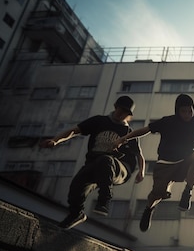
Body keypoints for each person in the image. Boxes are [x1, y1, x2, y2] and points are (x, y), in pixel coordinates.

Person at [115, 93, 194, 232]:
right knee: (158, 193)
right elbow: (145, 130)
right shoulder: (167, 122)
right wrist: (124, 138)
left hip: (185, 164)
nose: (187, 115)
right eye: (183, 111)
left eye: (190, 111)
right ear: (178, 111)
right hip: (165, 164)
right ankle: (149, 208)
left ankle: (187, 193)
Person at [40, 96, 145, 229]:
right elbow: (74, 131)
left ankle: (104, 200)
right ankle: (76, 214)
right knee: (77, 185)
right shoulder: (99, 121)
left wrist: (141, 172)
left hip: (121, 169)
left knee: (106, 160)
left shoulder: (128, 132)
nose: (121, 114)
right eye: (120, 110)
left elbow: (139, 155)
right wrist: (56, 141)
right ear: (115, 107)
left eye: (125, 113)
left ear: (128, 115)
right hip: (94, 165)